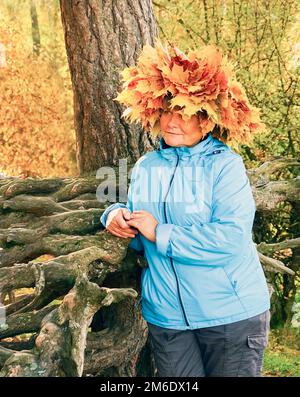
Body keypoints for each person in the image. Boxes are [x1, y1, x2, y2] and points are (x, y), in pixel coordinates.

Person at [100, 39, 271, 377]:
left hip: (231, 317)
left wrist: (160, 232)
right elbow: (140, 233)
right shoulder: (147, 167)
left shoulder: (225, 166)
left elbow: (229, 238)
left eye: (185, 113)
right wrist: (115, 216)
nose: (172, 121)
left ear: (207, 120)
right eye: (166, 110)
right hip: (168, 320)